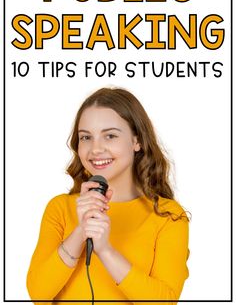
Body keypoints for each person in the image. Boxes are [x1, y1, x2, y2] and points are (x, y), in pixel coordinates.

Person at [27, 87, 189, 304]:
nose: (95, 149)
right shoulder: (60, 208)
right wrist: (79, 233)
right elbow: (38, 294)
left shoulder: (167, 215)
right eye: (86, 137)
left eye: (110, 135)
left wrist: (105, 250)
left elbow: (164, 301)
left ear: (136, 141)